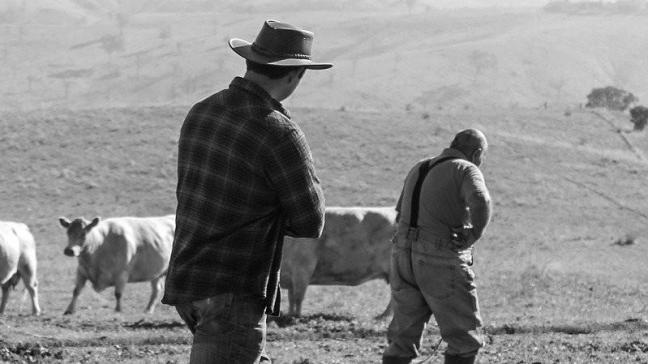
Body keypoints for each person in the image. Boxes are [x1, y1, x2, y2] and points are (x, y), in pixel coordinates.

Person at [162, 20, 332, 364]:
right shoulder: (280, 132)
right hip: (235, 285)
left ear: (250, 62)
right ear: (295, 75)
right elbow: (310, 222)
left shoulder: (201, 111)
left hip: (190, 278)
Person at [382, 129, 492, 364]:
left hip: (402, 258)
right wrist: (474, 233)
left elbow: (400, 211)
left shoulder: (419, 167)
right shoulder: (466, 168)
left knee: (402, 340)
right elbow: (481, 201)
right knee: (464, 340)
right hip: (438, 259)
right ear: (477, 153)